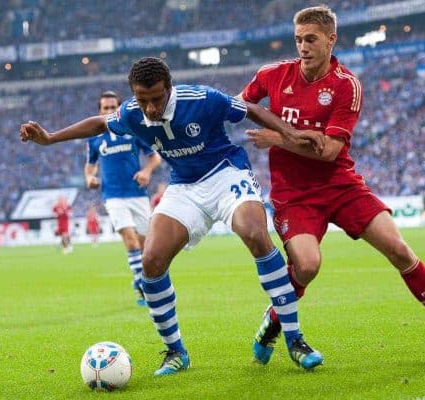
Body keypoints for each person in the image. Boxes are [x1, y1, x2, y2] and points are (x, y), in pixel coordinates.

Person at [20, 57, 326, 376]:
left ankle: (294, 339)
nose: (150, 108)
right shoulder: (131, 113)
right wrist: (51, 137)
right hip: (184, 186)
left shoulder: (202, 99)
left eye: (156, 99)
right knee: (151, 260)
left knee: (254, 232)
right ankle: (175, 352)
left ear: (169, 88)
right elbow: (99, 123)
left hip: (225, 174)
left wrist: (289, 134)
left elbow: (250, 109)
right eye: (143, 100)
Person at [240, 5, 425, 364]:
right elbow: (241, 104)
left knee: (399, 249)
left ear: (331, 40)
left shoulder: (346, 86)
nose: (303, 46)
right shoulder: (273, 74)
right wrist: (292, 133)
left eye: (311, 39)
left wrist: (279, 138)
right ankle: (274, 321)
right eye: (298, 39)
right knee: (307, 266)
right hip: (294, 195)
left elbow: (330, 151)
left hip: (341, 186)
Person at [85, 90, 162, 306]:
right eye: (105, 108)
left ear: (119, 108)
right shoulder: (94, 139)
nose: (109, 111)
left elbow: (155, 158)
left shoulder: (134, 130)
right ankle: (142, 286)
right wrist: (89, 178)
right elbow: (89, 167)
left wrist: (146, 171)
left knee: (146, 245)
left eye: (112, 107)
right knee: (129, 238)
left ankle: (143, 280)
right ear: (100, 111)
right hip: (112, 195)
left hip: (137, 194)